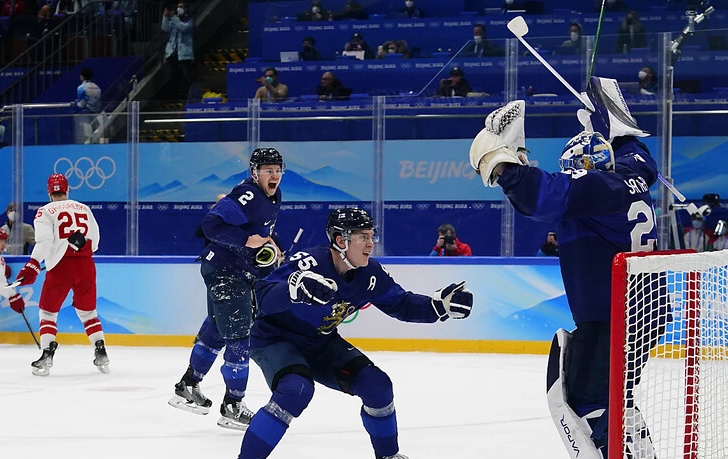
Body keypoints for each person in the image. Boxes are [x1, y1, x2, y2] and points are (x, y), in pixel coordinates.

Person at [468, 78, 661, 458]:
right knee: (615, 395)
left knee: (588, 404)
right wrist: (615, 127)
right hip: (645, 314)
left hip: (611, 320)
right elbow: (639, 155)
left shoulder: (594, 190)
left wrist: (498, 159)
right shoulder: (636, 175)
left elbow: (538, 196)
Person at [237, 207, 474, 459]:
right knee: (296, 390)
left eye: (372, 236)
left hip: (320, 342)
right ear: (341, 240)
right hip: (275, 338)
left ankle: (388, 456)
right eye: (363, 237)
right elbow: (262, 295)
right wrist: (292, 290)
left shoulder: (370, 273)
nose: (371, 244)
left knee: (377, 386)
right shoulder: (310, 262)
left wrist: (437, 308)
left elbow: (400, 303)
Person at [168, 148, 285, 431]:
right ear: (254, 172)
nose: (274, 175)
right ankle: (233, 405)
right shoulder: (247, 194)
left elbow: (261, 230)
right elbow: (210, 225)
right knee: (238, 336)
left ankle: (189, 385)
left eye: (278, 169)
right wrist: (246, 240)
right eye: (268, 170)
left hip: (232, 270)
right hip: (226, 271)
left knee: (218, 329)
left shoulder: (273, 196)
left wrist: (272, 243)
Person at [16, 173, 108, 376]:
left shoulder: (44, 211)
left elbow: (44, 242)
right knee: (88, 312)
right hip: (85, 265)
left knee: (48, 312)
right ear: (67, 190)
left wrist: (32, 264)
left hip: (60, 267)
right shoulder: (84, 208)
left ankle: (47, 354)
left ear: (49, 193)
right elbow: (96, 241)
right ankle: (100, 349)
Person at [162, 2, 195, 97]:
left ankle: (190, 95)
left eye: (181, 7)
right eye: (178, 7)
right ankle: (175, 95)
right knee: (174, 74)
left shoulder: (189, 21)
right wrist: (165, 17)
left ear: (186, 9)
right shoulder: (174, 20)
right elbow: (165, 28)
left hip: (184, 53)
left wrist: (173, 18)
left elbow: (183, 28)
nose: (178, 9)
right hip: (173, 52)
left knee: (187, 74)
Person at [75, 67, 102, 143]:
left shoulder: (81, 88)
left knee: (87, 137)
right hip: (96, 114)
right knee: (96, 137)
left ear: (82, 76)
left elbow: (81, 104)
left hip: (86, 115)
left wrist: (75, 104)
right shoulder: (97, 87)